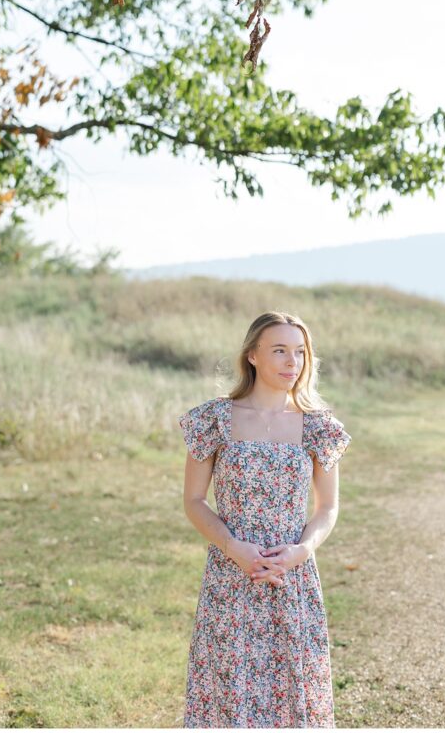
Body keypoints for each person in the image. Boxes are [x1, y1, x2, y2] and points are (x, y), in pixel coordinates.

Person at [178, 310, 352, 728]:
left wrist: (301, 550)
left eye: (299, 352)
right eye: (279, 350)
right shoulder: (214, 420)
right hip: (230, 576)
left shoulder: (318, 427)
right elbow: (194, 500)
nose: (292, 361)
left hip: (290, 575)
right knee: (227, 692)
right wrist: (232, 546)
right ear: (252, 355)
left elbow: (327, 508)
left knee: (292, 695)